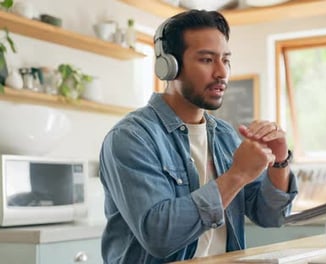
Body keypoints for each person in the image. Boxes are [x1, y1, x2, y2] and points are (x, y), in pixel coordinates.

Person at [99, 9, 298, 264]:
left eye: (225, 60)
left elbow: (271, 216)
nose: (222, 73)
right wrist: (237, 175)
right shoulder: (131, 137)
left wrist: (279, 162)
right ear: (169, 66)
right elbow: (160, 235)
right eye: (206, 60)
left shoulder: (226, 135)